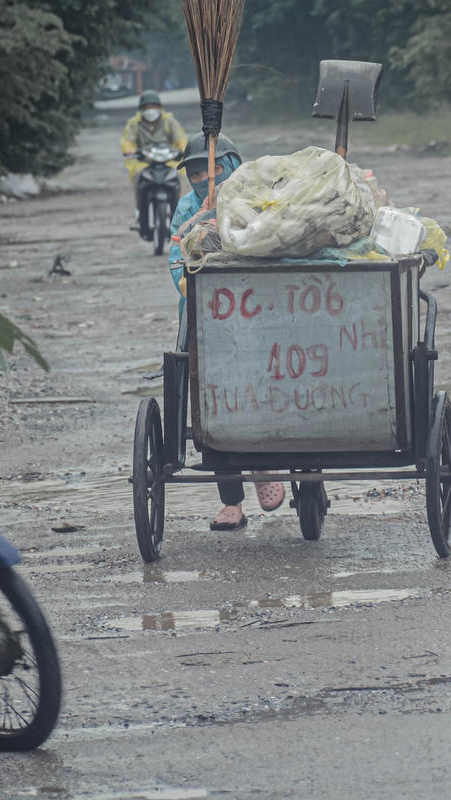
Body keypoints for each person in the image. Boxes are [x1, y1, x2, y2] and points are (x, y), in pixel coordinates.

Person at [168, 132, 285, 531]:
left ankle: (267, 467)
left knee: (264, 390)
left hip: (258, 314)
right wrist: (202, 218)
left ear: (232, 164)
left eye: (213, 168)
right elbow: (175, 258)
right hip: (207, 318)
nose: (205, 176)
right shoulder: (186, 206)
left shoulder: (256, 193)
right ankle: (231, 501)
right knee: (214, 403)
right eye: (197, 171)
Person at [120, 89, 187, 188]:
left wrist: (183, 150)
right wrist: (130, 151)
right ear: (141, 109)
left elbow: (180, 137)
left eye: (153, 107)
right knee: (138, 177)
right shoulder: (134, 124)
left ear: (159, 108)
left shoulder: (169, 121)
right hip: (144, 161)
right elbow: (127, 139)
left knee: (176, 177)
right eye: (147, 107)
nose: (150, 110)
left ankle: (175, 199)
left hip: (167, 160)